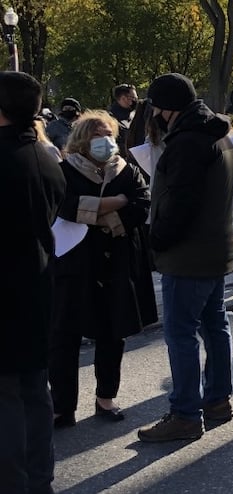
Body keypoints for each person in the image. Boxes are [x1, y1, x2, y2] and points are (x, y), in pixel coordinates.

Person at [136, 72, 233, 442]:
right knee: (215, 326)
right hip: (215, 248)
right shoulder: (216, 134)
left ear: (166, 109)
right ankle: (217, 400)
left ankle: (185, 414)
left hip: (188, 254)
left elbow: (180, 203)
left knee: (181, 334)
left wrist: (156, 239)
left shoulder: (188, 142)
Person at [48, 110, 156, 429]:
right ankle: (62, 406)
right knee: (64, 336)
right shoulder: (64, 170)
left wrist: (95, 210)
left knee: (113, 333)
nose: (106, 141)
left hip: (117, 263)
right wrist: (115, 202)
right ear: (82, 139)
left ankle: (106, 397)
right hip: (74, 264)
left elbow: (140, 204)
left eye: (109, 133)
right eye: (98, 135)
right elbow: (64, 206)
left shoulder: (126, 169)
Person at [0, 71, 66, 494]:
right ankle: (39, 478)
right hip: (38, 282)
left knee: (6, 397)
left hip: (5, 289)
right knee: (35, 389)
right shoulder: (45, 156)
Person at [109, 84, 138, 157]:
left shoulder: (135, 114)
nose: (136, 100)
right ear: (123, 98)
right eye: (133, 98)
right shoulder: (110, 119)